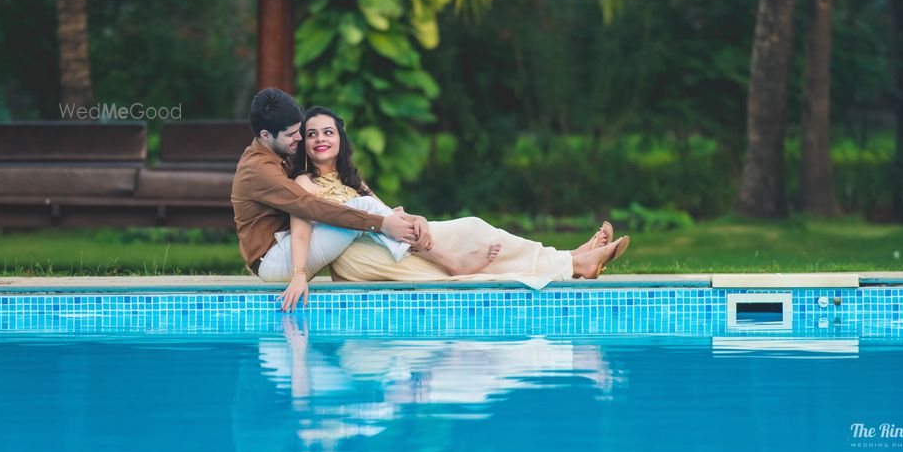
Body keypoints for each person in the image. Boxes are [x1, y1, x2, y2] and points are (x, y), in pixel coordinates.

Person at [276, 106, 629, 311]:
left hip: (392, 241)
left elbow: (387, 212)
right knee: (461, 276)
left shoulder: (353, 180)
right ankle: (574, 264)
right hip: (358, 258)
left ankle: (571, 257)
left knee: (474, 228)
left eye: (328, 132)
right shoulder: (305, 183)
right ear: (303, 145)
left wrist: (416, 221)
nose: (320, 139)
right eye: (311, 134)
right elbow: (305, 228)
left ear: (340, 139)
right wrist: (299, 274)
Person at [231, 89, 498, 290]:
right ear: (266, 135)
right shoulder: (261, 171)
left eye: (302, 131)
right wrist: (381, 223)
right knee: (365, 208)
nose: (300, 139)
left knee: (370, 208)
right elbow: (309, 208)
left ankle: (447, 258)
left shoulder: (278, 157)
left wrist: (406, 219)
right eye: (293, 134)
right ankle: (452, 262)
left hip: (286, 250)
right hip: (276, 261)